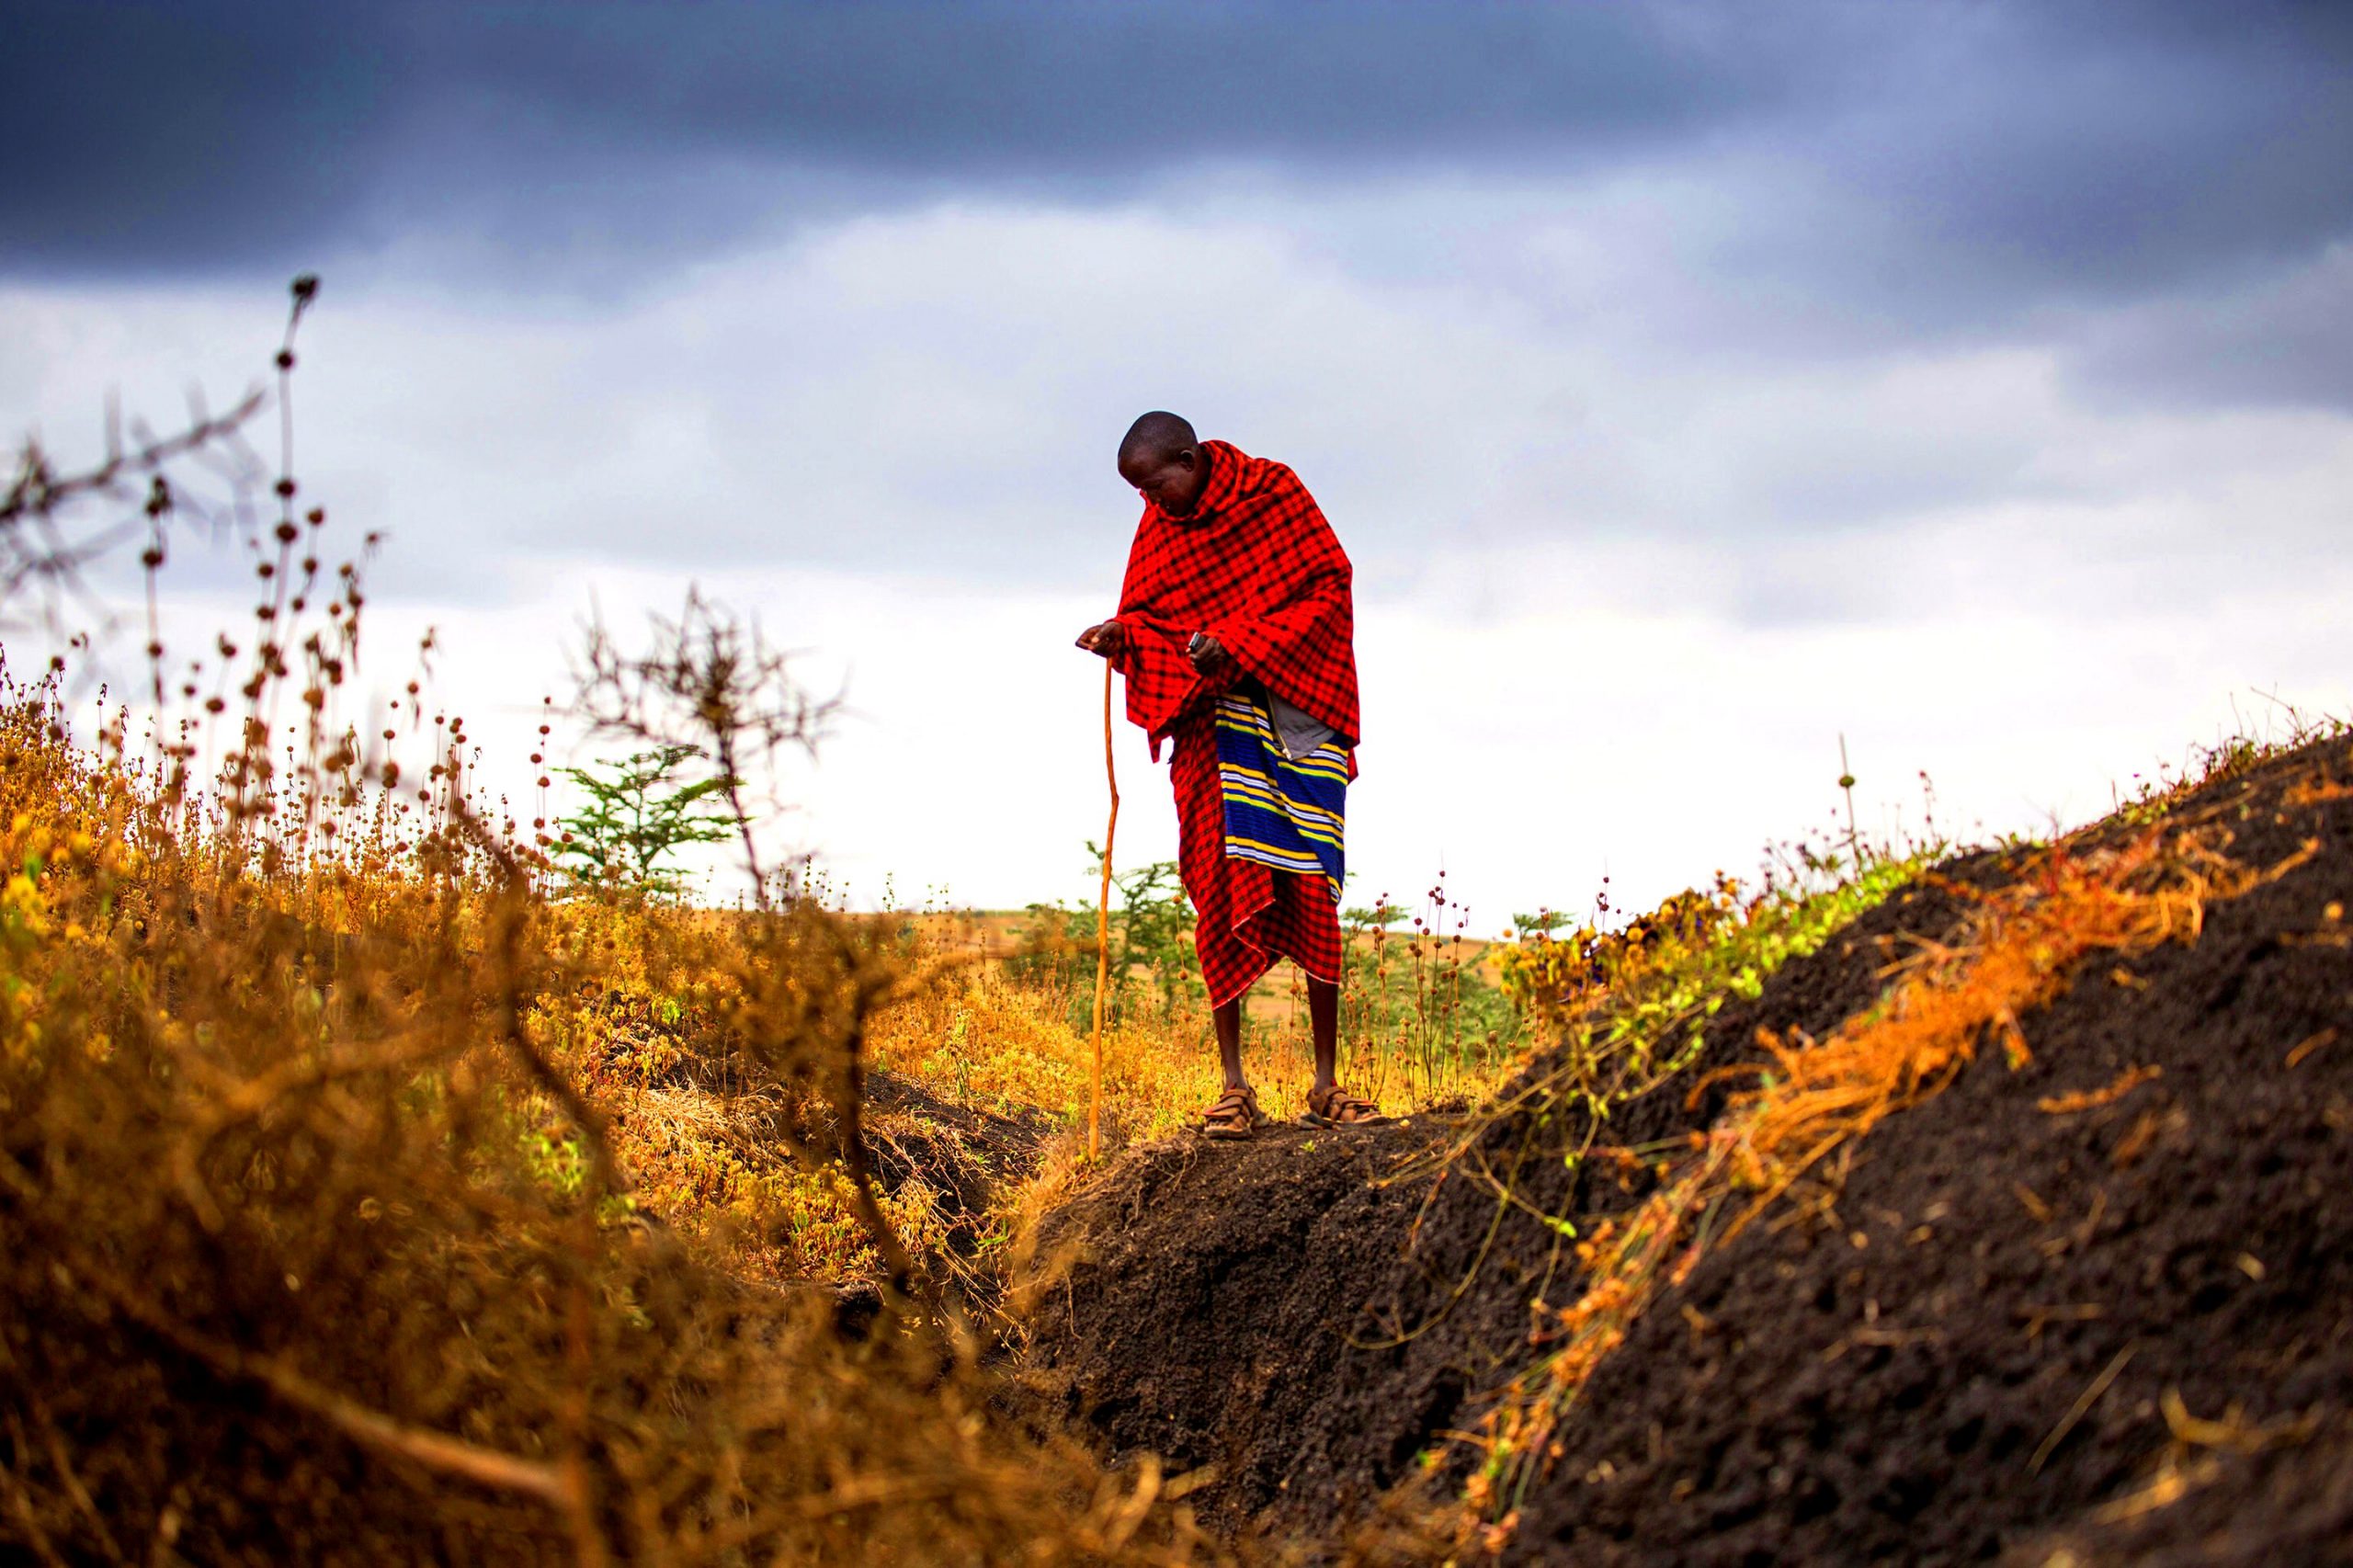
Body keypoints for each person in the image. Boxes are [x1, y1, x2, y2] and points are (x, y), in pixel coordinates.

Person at [1076, 412, 1392, 1140]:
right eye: (1141, 494)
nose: (1153, 504)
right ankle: (1233, 1086)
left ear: (1191, 459)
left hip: (1293, 722)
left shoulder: (1273, 494)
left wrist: (1240, 645)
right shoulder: (1158, 526)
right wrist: (1123, 637)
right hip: (1210, 733)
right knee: (1217, 892)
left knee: (1313, 886)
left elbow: (1327, 591)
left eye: (1159, 485)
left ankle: (1324, 1084)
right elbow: (1151, 620)